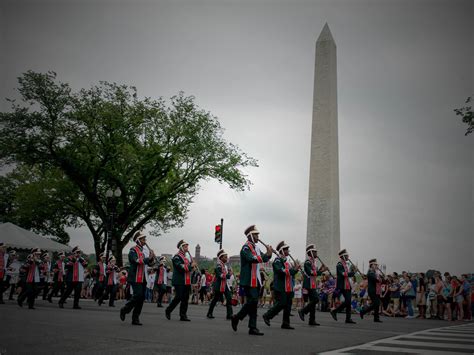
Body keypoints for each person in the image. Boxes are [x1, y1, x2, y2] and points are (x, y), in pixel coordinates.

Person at [231, 225, 272, 336]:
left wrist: (269, 253)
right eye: (256, 234)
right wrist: (265, 256)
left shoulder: (257, 248)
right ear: (250, 236)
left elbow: (265, 258)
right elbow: (251, 259)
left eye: (258, 234)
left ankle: (252, 327)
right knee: (253, 301)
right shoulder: (245, 247)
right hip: (248, 279)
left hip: (256, 279)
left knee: (253, 304)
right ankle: (237, 317)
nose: (258, 236)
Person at [120, 231, 155, 325]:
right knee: (137, 295)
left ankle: (135, 318)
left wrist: (152, 258)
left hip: (143, 277)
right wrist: (148, 258)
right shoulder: (133, 250)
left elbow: (149, 264)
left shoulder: (144, 251)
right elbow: (136, 260)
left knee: (141, 298)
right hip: (134, 277)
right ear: (138, 240)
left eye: (144, 239)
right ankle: (125, 309)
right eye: (143, 239)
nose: (145, 241)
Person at [262, 241, 299, 330]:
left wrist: (295, 269)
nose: (288, 251)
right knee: (281, 303)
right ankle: (267, 315)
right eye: (286, 250)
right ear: (282, 251)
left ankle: (285, 323)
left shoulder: (287, 262)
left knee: (288, 305)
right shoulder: (277, 261)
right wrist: (294, 270)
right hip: (281, 286)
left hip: (288, 287)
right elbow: (282, 272)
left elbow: (291, 274)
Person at [165, 239, 196, 321]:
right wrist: (191, 266)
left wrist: (193, 267)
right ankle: (168, 310)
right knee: (178, 297)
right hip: (179, 280)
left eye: (187, 246)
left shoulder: (186, 257)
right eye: (185, 246)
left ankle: (183, 315)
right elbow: (180, 267)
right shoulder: (177, 257)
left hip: (186, 281)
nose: (187, 248)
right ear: (181, 247)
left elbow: (188, 269)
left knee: (185, 298)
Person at [298, 244, 328, 326]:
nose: (316, 253)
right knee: (315, 300)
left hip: (313, 284)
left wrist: (321, 269)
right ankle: (303, 311)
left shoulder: (313, 262)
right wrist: (322, 271)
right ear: (310, 253)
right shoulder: (307, 262)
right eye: (315, 252)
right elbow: (311, 273)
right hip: (308, 285)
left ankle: (312, 320)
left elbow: (315, 273)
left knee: (313, 302)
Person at [330, 249, 356, 324]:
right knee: (347, 301)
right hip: (342, 285)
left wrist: (353, 271)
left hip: (347, 285)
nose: (348, 256)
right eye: (347, 255)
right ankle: (335, 311)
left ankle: (348, 318)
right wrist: (353, 272)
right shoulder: (339, 264)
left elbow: (348, 274)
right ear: (343, 256)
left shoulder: (346, 264)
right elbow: (344, 274)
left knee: (348, 301)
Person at [207, 249, 233, 320]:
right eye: (225, 257)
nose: (227, 258)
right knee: (215, 299)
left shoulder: (225, 266)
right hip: (219, 285)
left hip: (225, 285)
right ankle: (209, 313)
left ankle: (229, 315)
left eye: (227, 257)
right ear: (221, 258)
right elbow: (220, 275)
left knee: (229, 299)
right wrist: (228, 275)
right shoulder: (218, 265)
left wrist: (229, 274)